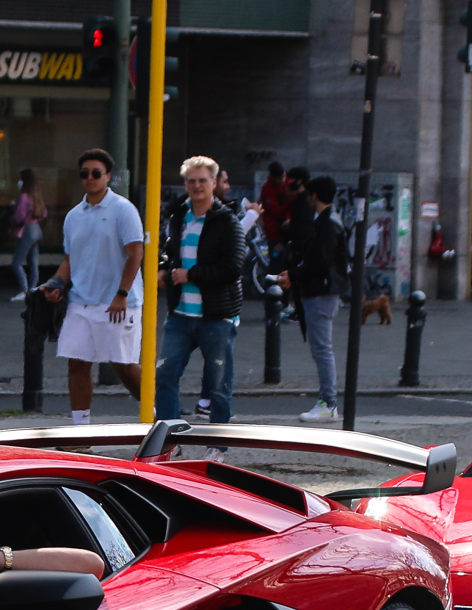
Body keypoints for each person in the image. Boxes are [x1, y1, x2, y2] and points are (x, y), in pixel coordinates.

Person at [43, 149, 143, 425]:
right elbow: (70, 258)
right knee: (76, 362)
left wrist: (122, 293)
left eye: (96, 173)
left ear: (108, 176)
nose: (90, 178)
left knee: (124, 367)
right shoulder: (74, 215)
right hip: (81, 301)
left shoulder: (123, 210)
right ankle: (80, 431)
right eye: (84, 173)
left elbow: (136, 253)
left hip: (117, 301)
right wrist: (56, 283)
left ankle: (161, 417)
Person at [155, 156, 246, 425]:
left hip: (216, 317)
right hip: (180, 315)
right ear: (185, 184)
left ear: (213, 183)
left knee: (219, 387)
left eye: (203, 181)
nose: (197, 186)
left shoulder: (227, 221)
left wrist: (190, 274)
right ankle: (170, 441)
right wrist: (164, 267)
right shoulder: (178, 217)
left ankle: (217, 446)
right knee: (165, 377)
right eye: (192, 181)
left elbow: (233, 267)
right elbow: (169, 251)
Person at [276, 175, 347, 424]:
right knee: (321, 348)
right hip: (322, 291)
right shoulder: (329, 221)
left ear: (315, 195)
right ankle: (327, 400)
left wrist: (294, 274)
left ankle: (328, 402)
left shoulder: (326, 224)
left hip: (321, 292)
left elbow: (320, 261)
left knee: (322, 349)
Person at [8, 169, 43, 297]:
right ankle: (32, 288)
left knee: (17, 263)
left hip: (27, 230)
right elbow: (44, 213)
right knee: (33, 262)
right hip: (36, 229)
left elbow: (18, 217)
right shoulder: (37, 196)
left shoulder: (24, 197)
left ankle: (24, 290)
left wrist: (11, 219)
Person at [258, 160, 293, 251]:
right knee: (276, 258)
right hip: (274, 233)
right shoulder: (267, 189)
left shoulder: (291, 183)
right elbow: (274, 210)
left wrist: (290, 218)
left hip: (291, 229)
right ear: (273, 178)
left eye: (283, 177)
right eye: (279, 178)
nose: (282, 180)